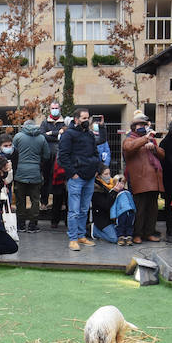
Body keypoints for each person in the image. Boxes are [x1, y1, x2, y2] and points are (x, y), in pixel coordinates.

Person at [56, 108, 100, 252]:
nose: (86, 121)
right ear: (76, 119)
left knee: (84, 209)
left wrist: (95, 169)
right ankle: (73, 238)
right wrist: (72, 173)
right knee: (74, 210)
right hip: (77, 177)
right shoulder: (68, 135)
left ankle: (81, 235)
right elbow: (63, 156)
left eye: (88, 118)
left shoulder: (89, 134)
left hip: (89, 176)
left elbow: (95, 152)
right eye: (83, 118)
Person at [121, 112, 164, 244]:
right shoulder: (129, 139)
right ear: (134, 127)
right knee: (139, 209)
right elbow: (129, 148)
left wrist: (154, 148)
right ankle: (137, 234)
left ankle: (149, 232)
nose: (143, 127)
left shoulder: (151, 140)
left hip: (153, 179)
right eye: (140, 124)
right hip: (139, 180)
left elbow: (162, 154)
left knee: (152, 209)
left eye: (145, 125)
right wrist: (145, 139)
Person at [10, 120, 51, 233]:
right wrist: (39, 163)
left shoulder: (18, 137)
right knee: (35, 200)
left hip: (20, 173)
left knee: (20, 200)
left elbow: (13, 153)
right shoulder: (42, 138)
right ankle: (33, 225)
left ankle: (21, 225)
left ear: (24, 126)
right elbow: (47, 155)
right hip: (35, 173)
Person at [90, 166, 118, 244]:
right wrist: (114, 191)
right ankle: (94, 231)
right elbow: (106, 205)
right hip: (102, 218)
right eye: (106, 174)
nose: (109, 176)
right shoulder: (96, 188)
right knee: (114, 239)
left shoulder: (112, 184)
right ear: (99, 176)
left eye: (109, 173)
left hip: (112, 217)